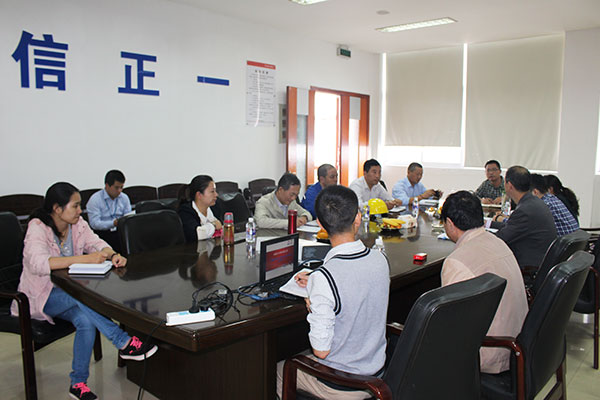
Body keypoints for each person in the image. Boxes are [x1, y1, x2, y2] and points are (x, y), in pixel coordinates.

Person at [11, 182, 157, 400]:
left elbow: (96, 242)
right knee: (82, 297)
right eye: (75, 206)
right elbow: (38, 264)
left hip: (70, 294)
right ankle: (122, 341)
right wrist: (84, 259)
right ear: (57, 209)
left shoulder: (77, 224)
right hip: (40, 296)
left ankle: (77, 384)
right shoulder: (37, 227)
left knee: (86, 320)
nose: (81, 210)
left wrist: (112, 254)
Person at [276, 185, 389, 399]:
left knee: (277, 370)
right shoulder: (380, 259)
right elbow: (355, 279)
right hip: (376, 373)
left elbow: (321, 351)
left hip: (342, 384)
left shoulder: (325, 278)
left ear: (320, 224)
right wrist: (318, 282)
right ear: (358, 218)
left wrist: (314, 301)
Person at [441, 191, 527, 373]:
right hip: (519, 345)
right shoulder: (499, 243)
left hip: (488, 352)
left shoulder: (456, 262)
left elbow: (451, 326)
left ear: (449, 223)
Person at [491, 166, 557, 270]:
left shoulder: (525, 210)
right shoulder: (534, 202)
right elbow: (513, 226)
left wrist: (478, 234)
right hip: (541, 260)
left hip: (528, 267)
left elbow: (501, 238)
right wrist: (488, 224)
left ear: (509, 185)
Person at [86, 170, 132, 252]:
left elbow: (128, 216)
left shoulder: (124, 198)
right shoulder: (95, 199)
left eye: (121, 187)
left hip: (121, 232)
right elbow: (94, 223)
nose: (119, 191)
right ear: (107, 186)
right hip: (103, 234)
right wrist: (113, 223)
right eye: (116, 187)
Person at [177, 175, 223, 242]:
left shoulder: (215, 207)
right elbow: (196, 235)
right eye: (212, 191)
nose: (216, 195)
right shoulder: (185, 211)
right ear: (199, 195)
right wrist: (214, 225)